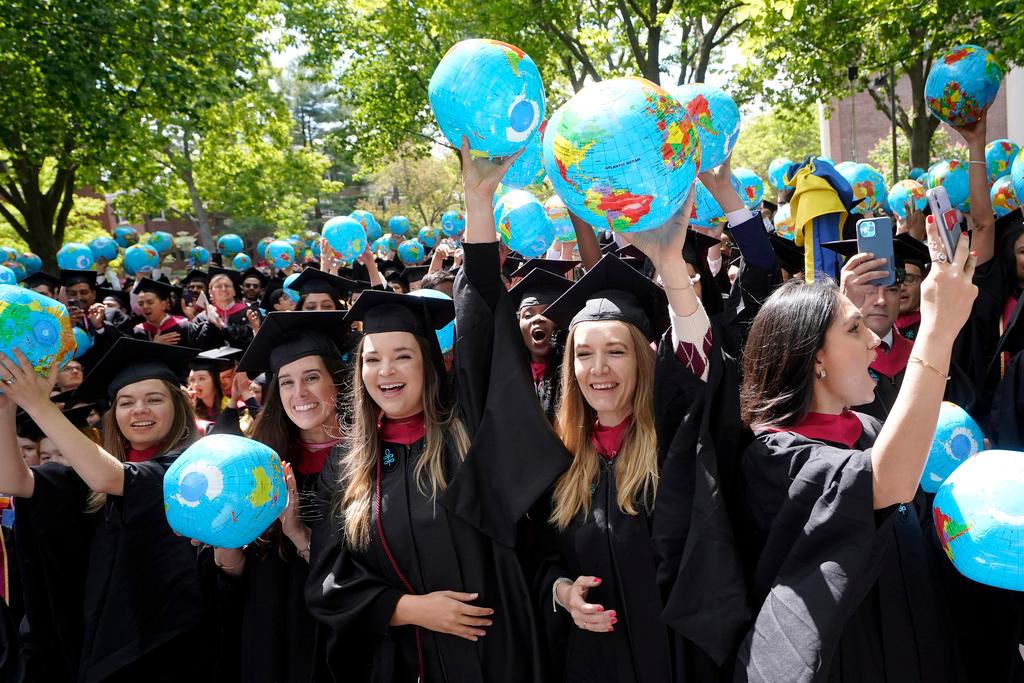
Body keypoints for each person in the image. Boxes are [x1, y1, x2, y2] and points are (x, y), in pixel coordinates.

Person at [306, 140, 568, 683]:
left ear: (429, 364)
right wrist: (408, 609)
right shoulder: (347, 469)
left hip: (498, 656)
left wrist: (478, 200)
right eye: (372, 360)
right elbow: (328, 579)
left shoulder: (465, 434)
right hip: (401, 664)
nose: (386, 370)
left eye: (402, 355)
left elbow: (481, 328)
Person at [731, 215, 978, 681]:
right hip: (849, 658)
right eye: (853, 329)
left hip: (920, 640)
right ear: (814, 356)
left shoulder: (866, 427)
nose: (872, 342)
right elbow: (883, 483)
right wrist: (937, 330)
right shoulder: (774, 456)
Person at [0, 338, 220, 681]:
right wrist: (6, 408)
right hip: (101, 643)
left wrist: (40, 405)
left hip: (171, 649)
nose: (139, 410)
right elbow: (15, 482)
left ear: (178, 406)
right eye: (126, 402)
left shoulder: (195, 472)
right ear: (113, 413)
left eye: (154, 399)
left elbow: (114, 479)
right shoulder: (91, 473)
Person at [206, 311, 354, 682]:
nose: (298, 393)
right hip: (265, 635)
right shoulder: (256, 467)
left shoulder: (368, 463)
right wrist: (224, 540)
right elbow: (232, 577)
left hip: (339, 641)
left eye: (312, 378)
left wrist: (298, 533)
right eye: (285, 382)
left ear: (338, 382)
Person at [132, 277, 217, 348]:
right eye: (140, 304)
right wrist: (154, 346)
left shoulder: (183, 326)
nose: (145, 306)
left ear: (164, 304)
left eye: (150, 302)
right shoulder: (138, 331)